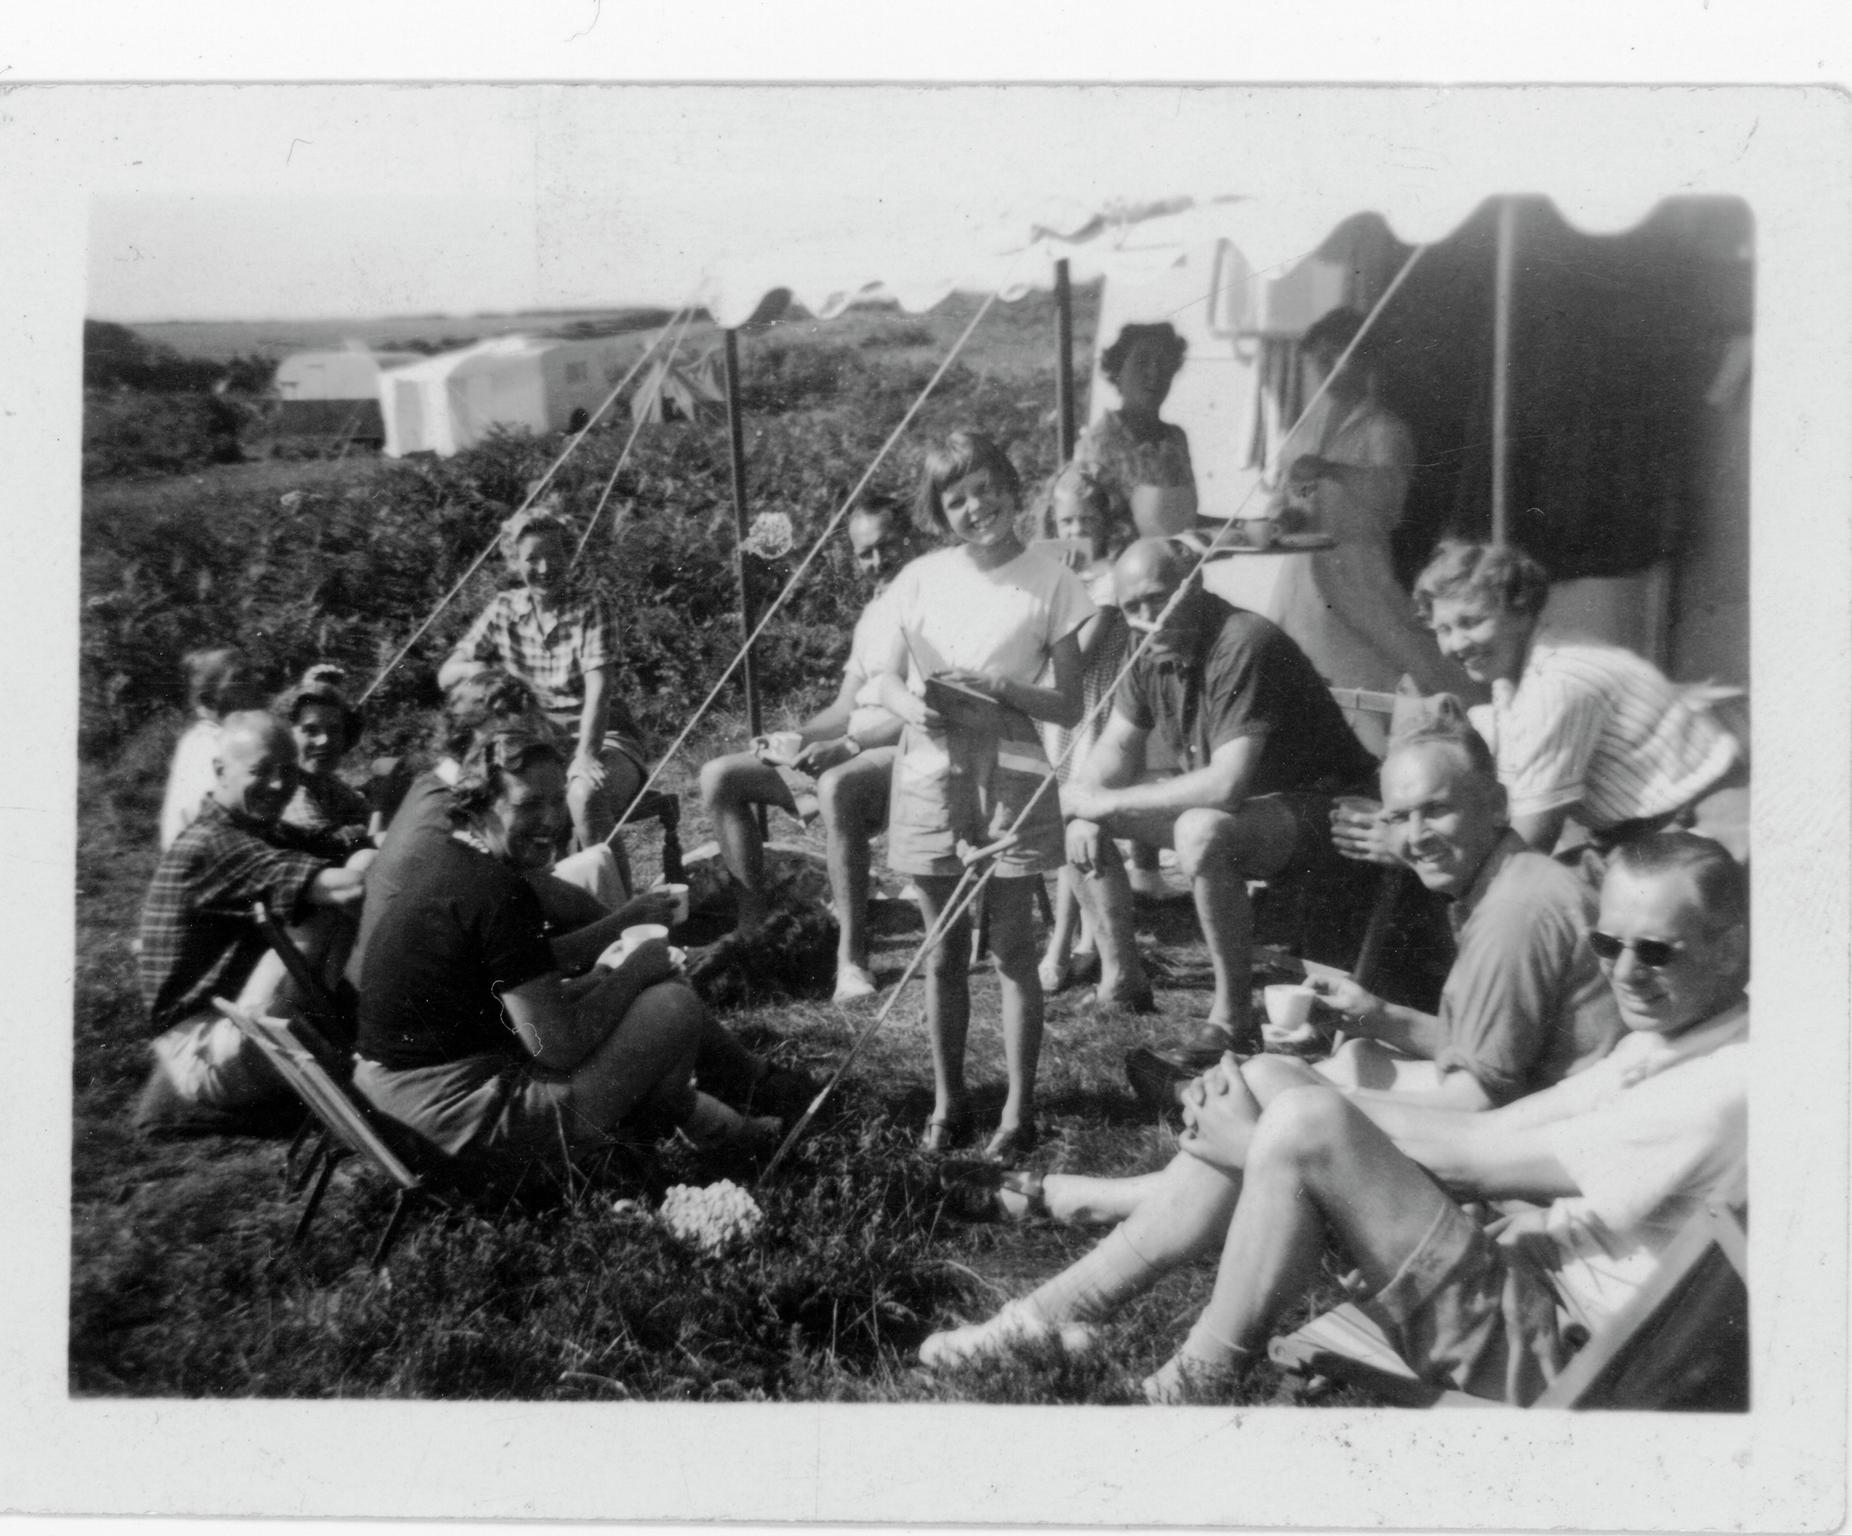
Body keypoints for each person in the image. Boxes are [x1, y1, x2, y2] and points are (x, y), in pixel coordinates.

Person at [920, 831, 1747, 1407]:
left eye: (1657, 950)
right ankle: (1048, 1318)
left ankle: (1188, 1381)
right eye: (1609, 947)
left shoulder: (1719, 1090)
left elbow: (1476, 1163)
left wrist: (1267, 1137)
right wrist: (1277, 1087)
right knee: (1283, 1084)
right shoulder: (1677, 1038)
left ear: (1735, 946)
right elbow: (1515, 1125)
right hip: (1532, 1281)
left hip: (1559, 1350)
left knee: (1302, 1126)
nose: (1627, 973)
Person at [351, 728, 784, 1179]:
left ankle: (706, 1126)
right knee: (671, 1006)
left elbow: (516, 973)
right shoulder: (496, 892)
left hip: (392, 1108)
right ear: (481, 804)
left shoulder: (449, 858)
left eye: (558, 800)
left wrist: (601, 977)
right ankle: (668, 1133)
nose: (552, 820)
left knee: (614, 993)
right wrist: (633, 974)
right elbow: (554, 1047)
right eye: (528, 805)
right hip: (453, 1121)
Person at [1061, 538, 1379, 1053]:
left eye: (1160, 597)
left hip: (1334, 813)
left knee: (1198, 829)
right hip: (1253, 813)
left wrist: (1105, 801)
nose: (1150, 617)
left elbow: (1226, 784)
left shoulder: (1242, 641)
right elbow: (1116, 746)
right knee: (1081, 821)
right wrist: (1085, 799)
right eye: (1133, 608)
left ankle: (1233, 1017)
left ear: (1196, 582)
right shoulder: (1149, 646)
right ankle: (1122, 979)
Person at [873, 430, 1091, 1158]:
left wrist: (1005, 688)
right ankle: (949, 1101)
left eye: (985, 487)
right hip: (932, 774)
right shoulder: (919, 577)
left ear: (1010, 484)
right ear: (940, 512)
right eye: (956, 498)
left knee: (1013, 952)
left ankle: (1018, 1112)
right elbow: (884, 678)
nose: (976, 507)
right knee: (942, 951)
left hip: (1013, 778)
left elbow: (1070, 705)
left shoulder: (1052, 580)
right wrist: (912, 708)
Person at [1302, 723, 1621, 1108]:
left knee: (1288, 1094)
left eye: (1435, 810)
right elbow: (1495, 1048)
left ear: (1497, 806)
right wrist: (1381, 1016)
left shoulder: (1513, 912)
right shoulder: (1513, 881)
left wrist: (1318, 1101)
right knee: (1356, 1058)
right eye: (1399, 818)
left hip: (1556, 1128)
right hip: (1551, 1103)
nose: (1416, 836)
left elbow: (1476, 1101)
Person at [696, 496, 914, 1002]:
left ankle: (852, 958)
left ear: (911, 540)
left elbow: (916, 713)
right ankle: (753, 933)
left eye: (886, 548)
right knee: (719, 777)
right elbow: (842, 706)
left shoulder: (930, 603)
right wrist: (795, 738)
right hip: (849, 742)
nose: (877, 564)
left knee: (837, 784)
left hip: (897, 747)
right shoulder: (875, 613)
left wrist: (847, 745)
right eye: (865, 554)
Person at [1408, 539, 1741, 862]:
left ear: (1521, 611)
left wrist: (1413, 848)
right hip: (1647, 830)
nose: (1456, 644)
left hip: (1705, 826)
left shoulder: (1555, 682)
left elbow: (1531, 841)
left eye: (1471, 622)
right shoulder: (1514, 675)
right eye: (1443, 629)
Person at [136, 711, 368, 1130]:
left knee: (348, 869)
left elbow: (332, 842)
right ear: (221, 771)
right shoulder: (213, 844)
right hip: (202, 1054)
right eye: (260, 771)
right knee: (321, 903)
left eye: (288, 772)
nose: (278, 786)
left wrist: (376, 843)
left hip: (222, 1031)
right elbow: (348, 888)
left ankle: (342, 1033)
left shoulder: (252, 826)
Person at [1266, 307, 1465, 707]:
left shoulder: (1384, 428)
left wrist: (1333, 470)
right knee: (1297, 665)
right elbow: (1294, 494)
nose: (1323, 366)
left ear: (1364, 360)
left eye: (1335, 354)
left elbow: (1390, 498)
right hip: (1303, 572)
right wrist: (1290, 509)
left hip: (1357, 566)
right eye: (1317, 356)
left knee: (1373, 667)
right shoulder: (1305, 426)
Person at [438, 506, 650, 862]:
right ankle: (552, 905)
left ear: (570, 556)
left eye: (555, 556)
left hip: (602, 736)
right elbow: (448, 673)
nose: (545, 568)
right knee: (498, 804)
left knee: (584, 797)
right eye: (532, 558)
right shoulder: (504, 608)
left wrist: (586, 754)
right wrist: (495, 672)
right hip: (537, 743)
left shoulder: (591, 606)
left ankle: (616, 907)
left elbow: (600, 689)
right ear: (514, 562)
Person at [1032, 464, 1134, 993]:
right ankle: (1078, 940)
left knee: (1076, 818)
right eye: (1065, 522)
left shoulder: (1111, 578)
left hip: (1095, 712)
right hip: (1062, 714)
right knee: (1061, 822)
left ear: (1106, 523)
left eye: (1085, 522)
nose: (1074, 534)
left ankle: (1074, 941)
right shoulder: (1059, 579)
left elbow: (1085, 652)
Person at [1074, 322, 1198, 539]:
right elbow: (1086, 526)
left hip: (1181, 564)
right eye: (1142, 362)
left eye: (1163, 364)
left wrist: (1239, 527)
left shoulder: (1175, 438)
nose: (1154, 373)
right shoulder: (1099, 443)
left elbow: (1184, 520)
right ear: (1117, 372)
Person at [158, 644, 261, 850]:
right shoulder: (210, 747)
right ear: (209, 698)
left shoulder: (214, 737)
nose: (257, 683)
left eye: (252, 674)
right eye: (240, 677)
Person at [272, 664, 372, 853]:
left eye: (334, 730)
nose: (324, 740)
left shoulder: (325, 782)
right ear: (285, 735)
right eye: (310, 730)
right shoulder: (288, 789)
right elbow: (329, 845)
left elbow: (367, 812)